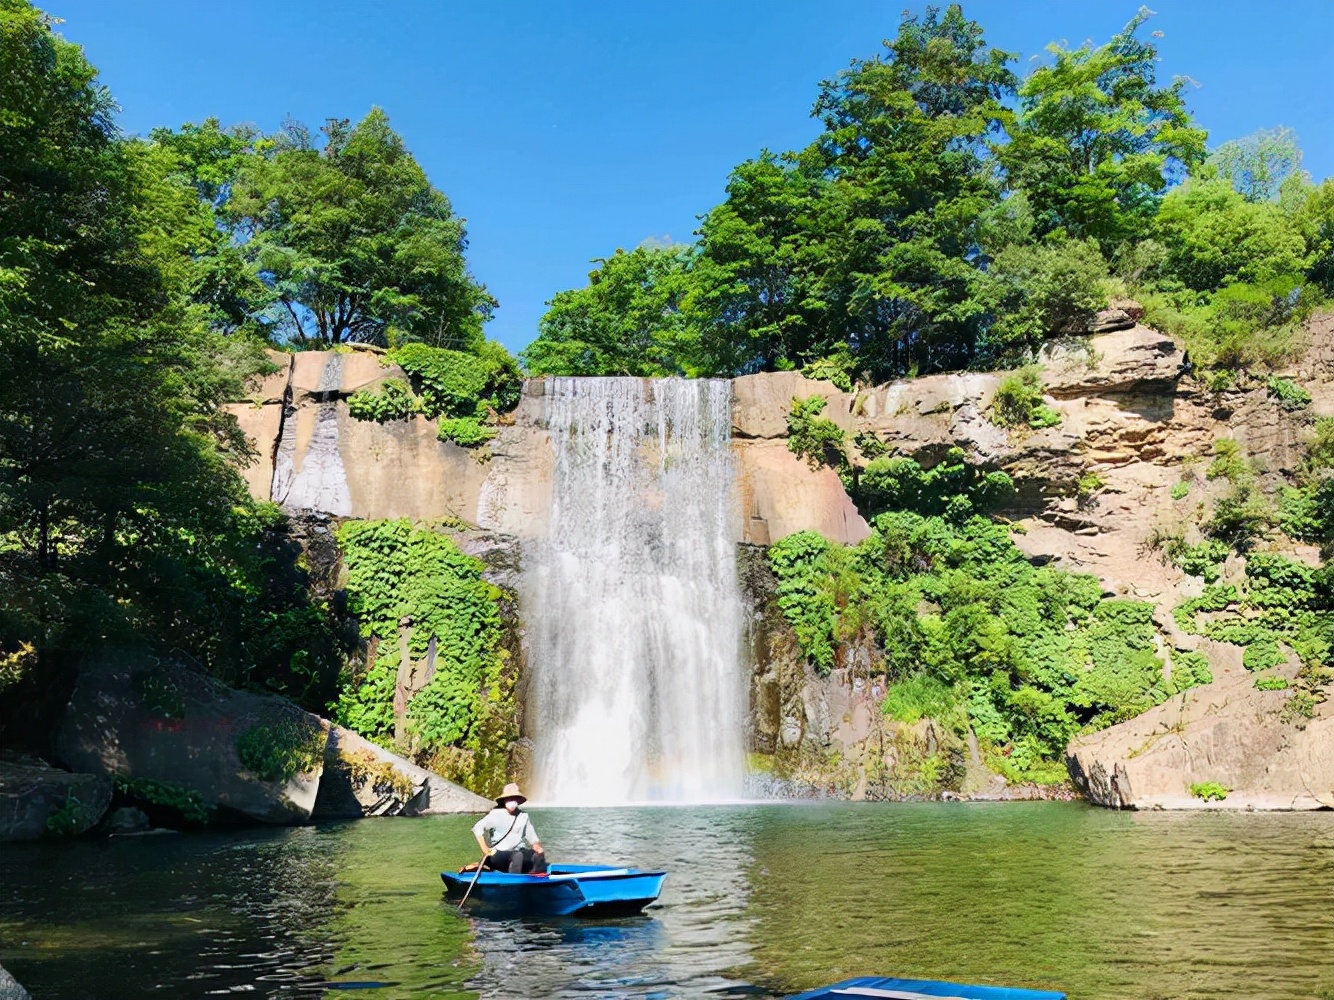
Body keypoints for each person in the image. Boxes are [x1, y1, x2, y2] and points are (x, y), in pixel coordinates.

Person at [472, 782, 547, 875]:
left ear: (518, 801)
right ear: (504, 800)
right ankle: (514, 883)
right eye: (509, 798)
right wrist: (485, 849)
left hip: (518, 851)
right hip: (498, 854)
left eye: (513, 798)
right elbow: (477, 828)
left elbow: (531, 836)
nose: (511, 801)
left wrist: (536, 846)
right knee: (518, 856)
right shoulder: (496, 814)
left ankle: (536, 880)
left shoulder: (523, 816)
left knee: (538, 855)